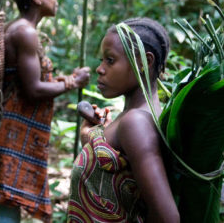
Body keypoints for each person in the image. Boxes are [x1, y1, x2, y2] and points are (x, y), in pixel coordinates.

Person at [0, 0, 90, 222]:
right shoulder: (25, 31)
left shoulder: (15, 27)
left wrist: (63, 79)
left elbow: (18, 82)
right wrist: (73, 82)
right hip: (5, 138)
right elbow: (33, 89)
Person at [67, 18, 180, 222]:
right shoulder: (133, 117)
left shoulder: (135, 123)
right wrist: (92, 138)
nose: (100, 69)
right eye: (102, 60)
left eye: (110, 60)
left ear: (143, 62)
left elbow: (168, 218)